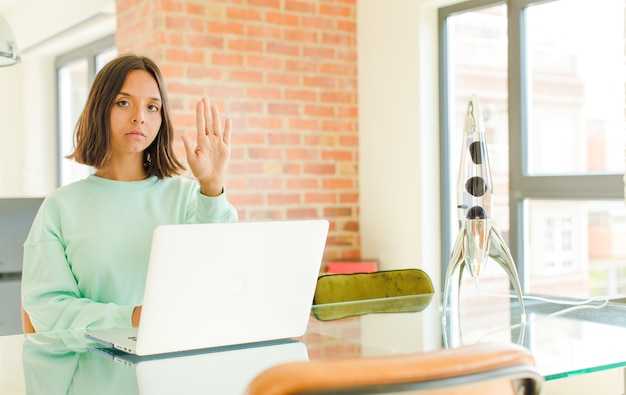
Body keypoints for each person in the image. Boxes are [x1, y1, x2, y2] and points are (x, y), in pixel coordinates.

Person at [21, 54, 238, 332]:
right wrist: (132, 318)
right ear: (100, 109)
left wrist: (211, 185)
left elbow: (219, 269)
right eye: (123, 103)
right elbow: (46, 309)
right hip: (89, 368)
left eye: (152, 107)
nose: (139, 117)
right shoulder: (60, 207)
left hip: (173, 365)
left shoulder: (189, 198)